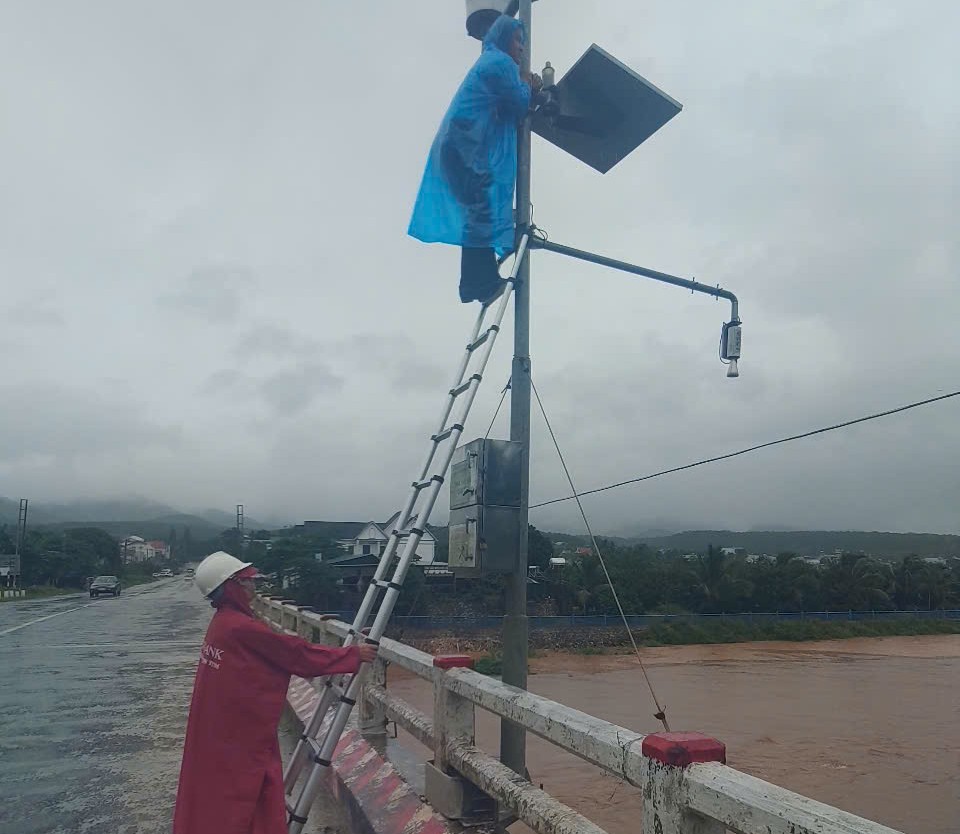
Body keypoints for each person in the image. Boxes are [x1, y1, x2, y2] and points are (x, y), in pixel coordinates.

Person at [172, 551, 377, 834]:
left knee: (233, 796)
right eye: (247, 581)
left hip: (223, 731)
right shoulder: (239, 627)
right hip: (238, 737)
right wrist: (351, 656)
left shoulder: (223, 622)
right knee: (250, 791)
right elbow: (293, 654)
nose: (253, 587)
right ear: (231, 587)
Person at [409, 15, 541, 305]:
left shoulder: (490, 63)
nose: (521, 48)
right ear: (505, 38)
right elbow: (518, 104)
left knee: (480, 209)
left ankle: (479, 278)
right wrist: (528, 85)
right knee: (482, 205)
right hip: (465, 144)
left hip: (459, 145)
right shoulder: (501, 64)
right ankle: (477, 283)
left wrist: (524, 89)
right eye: (518, 40)